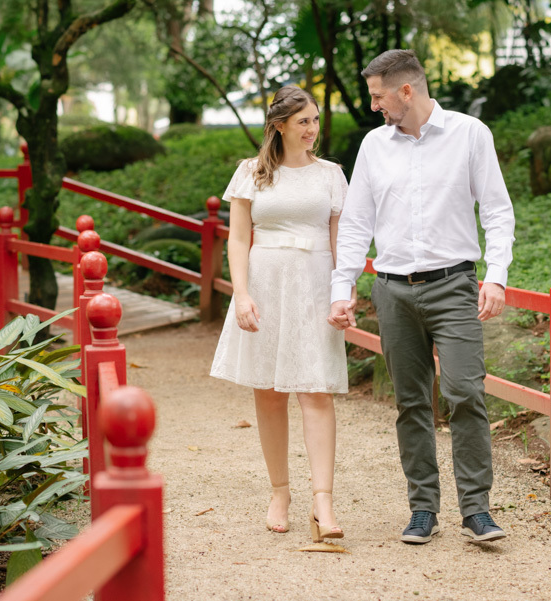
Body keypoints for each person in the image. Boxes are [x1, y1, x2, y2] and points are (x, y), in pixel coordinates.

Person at [328, 50, 515, 545]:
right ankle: (423, 510)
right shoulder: (373, 145)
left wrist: (496, 276)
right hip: (391, 291)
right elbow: (355, 224)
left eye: (377, 96)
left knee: (465, 394)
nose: (373, 106)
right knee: (411, 403)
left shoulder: (469, 134)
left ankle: (476, 511)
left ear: (405, 91)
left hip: (454, 285)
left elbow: (496, 209)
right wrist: (342, 288)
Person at [210, 85, 348, 543]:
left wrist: (341, 295)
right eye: (303, 121)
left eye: (315, 120)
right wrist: (242, 294)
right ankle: (280, 492)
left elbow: (339, 240)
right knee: (269, 392)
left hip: (314, 282)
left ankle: (323, 501)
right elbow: (237, 238)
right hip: (265, 283)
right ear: (280, 126)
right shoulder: (251, 173)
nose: (312, 129)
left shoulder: (330, 174)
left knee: (316, 391)